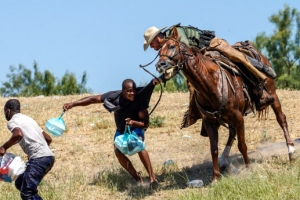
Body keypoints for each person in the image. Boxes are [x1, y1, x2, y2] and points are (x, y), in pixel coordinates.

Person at [143, 24, 275, 114]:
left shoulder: (175, 33)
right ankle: (201, 112)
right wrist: (162, 77)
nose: (152, 47)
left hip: (212, 45)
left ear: (158, 37)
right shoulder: (167, 47)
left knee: (236, 58)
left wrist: (165, 75)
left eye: (151, 43)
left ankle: (260, 75)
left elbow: (186, 55)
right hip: (201, 56)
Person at [62, 79, 158, 188]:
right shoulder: (114, 97)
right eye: (129, 91)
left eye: (134, 91)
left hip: (136, 128)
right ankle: (137, 179)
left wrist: (133, 122)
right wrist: (73, 104)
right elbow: (92, 99)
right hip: (121, 131)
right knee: (118, 153)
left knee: (137, 144)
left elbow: (145, 124)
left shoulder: (139, 100)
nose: (133, 93)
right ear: (123, 91)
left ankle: (152, 178)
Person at [0, 99, 55, 200]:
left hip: (39, 159)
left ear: (8, 111)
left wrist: (4, 147)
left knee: (27, 193)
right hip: (49, 157)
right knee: (20, 183)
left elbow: (18, 134)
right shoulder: (29, 119)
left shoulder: (12, 121)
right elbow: (48, 138)